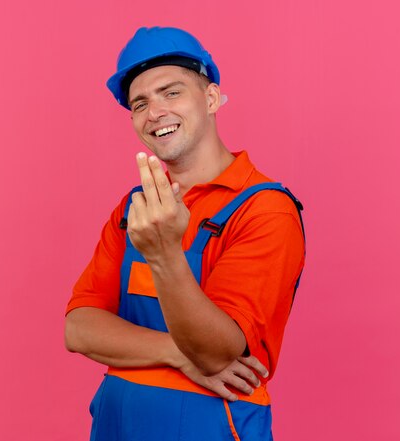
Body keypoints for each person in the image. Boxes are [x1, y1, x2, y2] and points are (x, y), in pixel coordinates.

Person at [65, 26, 306, 441]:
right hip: (118, 423)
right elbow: (79, 328)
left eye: (170, 92)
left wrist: (163, 254)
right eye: (140, 103)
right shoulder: (134, 209)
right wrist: (177, 353)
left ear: (211, 99)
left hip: (209, 426)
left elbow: (216, 354)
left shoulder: (264, 209)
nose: (154, 112)